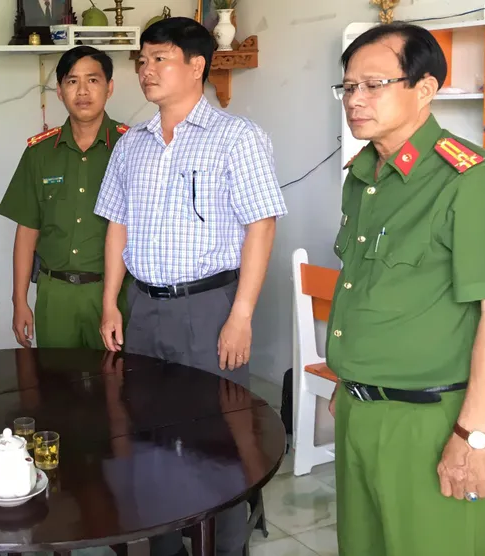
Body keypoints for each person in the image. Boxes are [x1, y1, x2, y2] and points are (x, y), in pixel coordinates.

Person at [93, 17, 286, 556]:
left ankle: (223, 547)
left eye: (160, 59)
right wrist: (111, 303)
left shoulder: (237, 138)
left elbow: (261, 225)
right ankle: (164, 546)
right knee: (147, 433)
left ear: (197, 65)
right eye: (143, 60)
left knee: (217, 439)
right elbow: (117, 225)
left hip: (208, 308)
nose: (146, 70)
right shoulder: (132, 145)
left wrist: (240, 315)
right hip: (143, 306)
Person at [327, 23, 485, 555]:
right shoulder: (362, 178)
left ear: (425, 89)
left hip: (430, 421)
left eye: (374, 84)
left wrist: (471, 437)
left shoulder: (473, 181)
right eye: (348, 86)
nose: (355, 99)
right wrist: (350, 379)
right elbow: (370, 290)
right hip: (358, 408)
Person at [0, 45, 130, 349]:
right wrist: (19, 301)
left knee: (115, 376)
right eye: (72, 81)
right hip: (54, 293)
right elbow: (27, 231)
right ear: (59, 91)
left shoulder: (132, 147)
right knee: (55, 377)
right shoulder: (40, 153)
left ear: (109, 87)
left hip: (114, 293)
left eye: (93, 80)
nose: (82, 91)